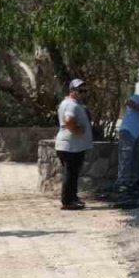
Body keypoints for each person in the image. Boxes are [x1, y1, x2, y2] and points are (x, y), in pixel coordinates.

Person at [55, 79, 94, 211]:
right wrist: (77, 130)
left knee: (73, 173)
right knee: (70, 173)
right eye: (80, 91)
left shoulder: (71, 103)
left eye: (85, 91)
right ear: (72, 91)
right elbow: (68, 120)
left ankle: (73, 198)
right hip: (70, 146)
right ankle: (67, 201)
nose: (83, 93)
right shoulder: (72, 105)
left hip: (72, 146)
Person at [115, 93, 139, 192]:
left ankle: (131, 181)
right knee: (126, 158)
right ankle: (122, 182)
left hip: (134, 135)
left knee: (133, 158)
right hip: (127, 131)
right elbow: (128, 102)